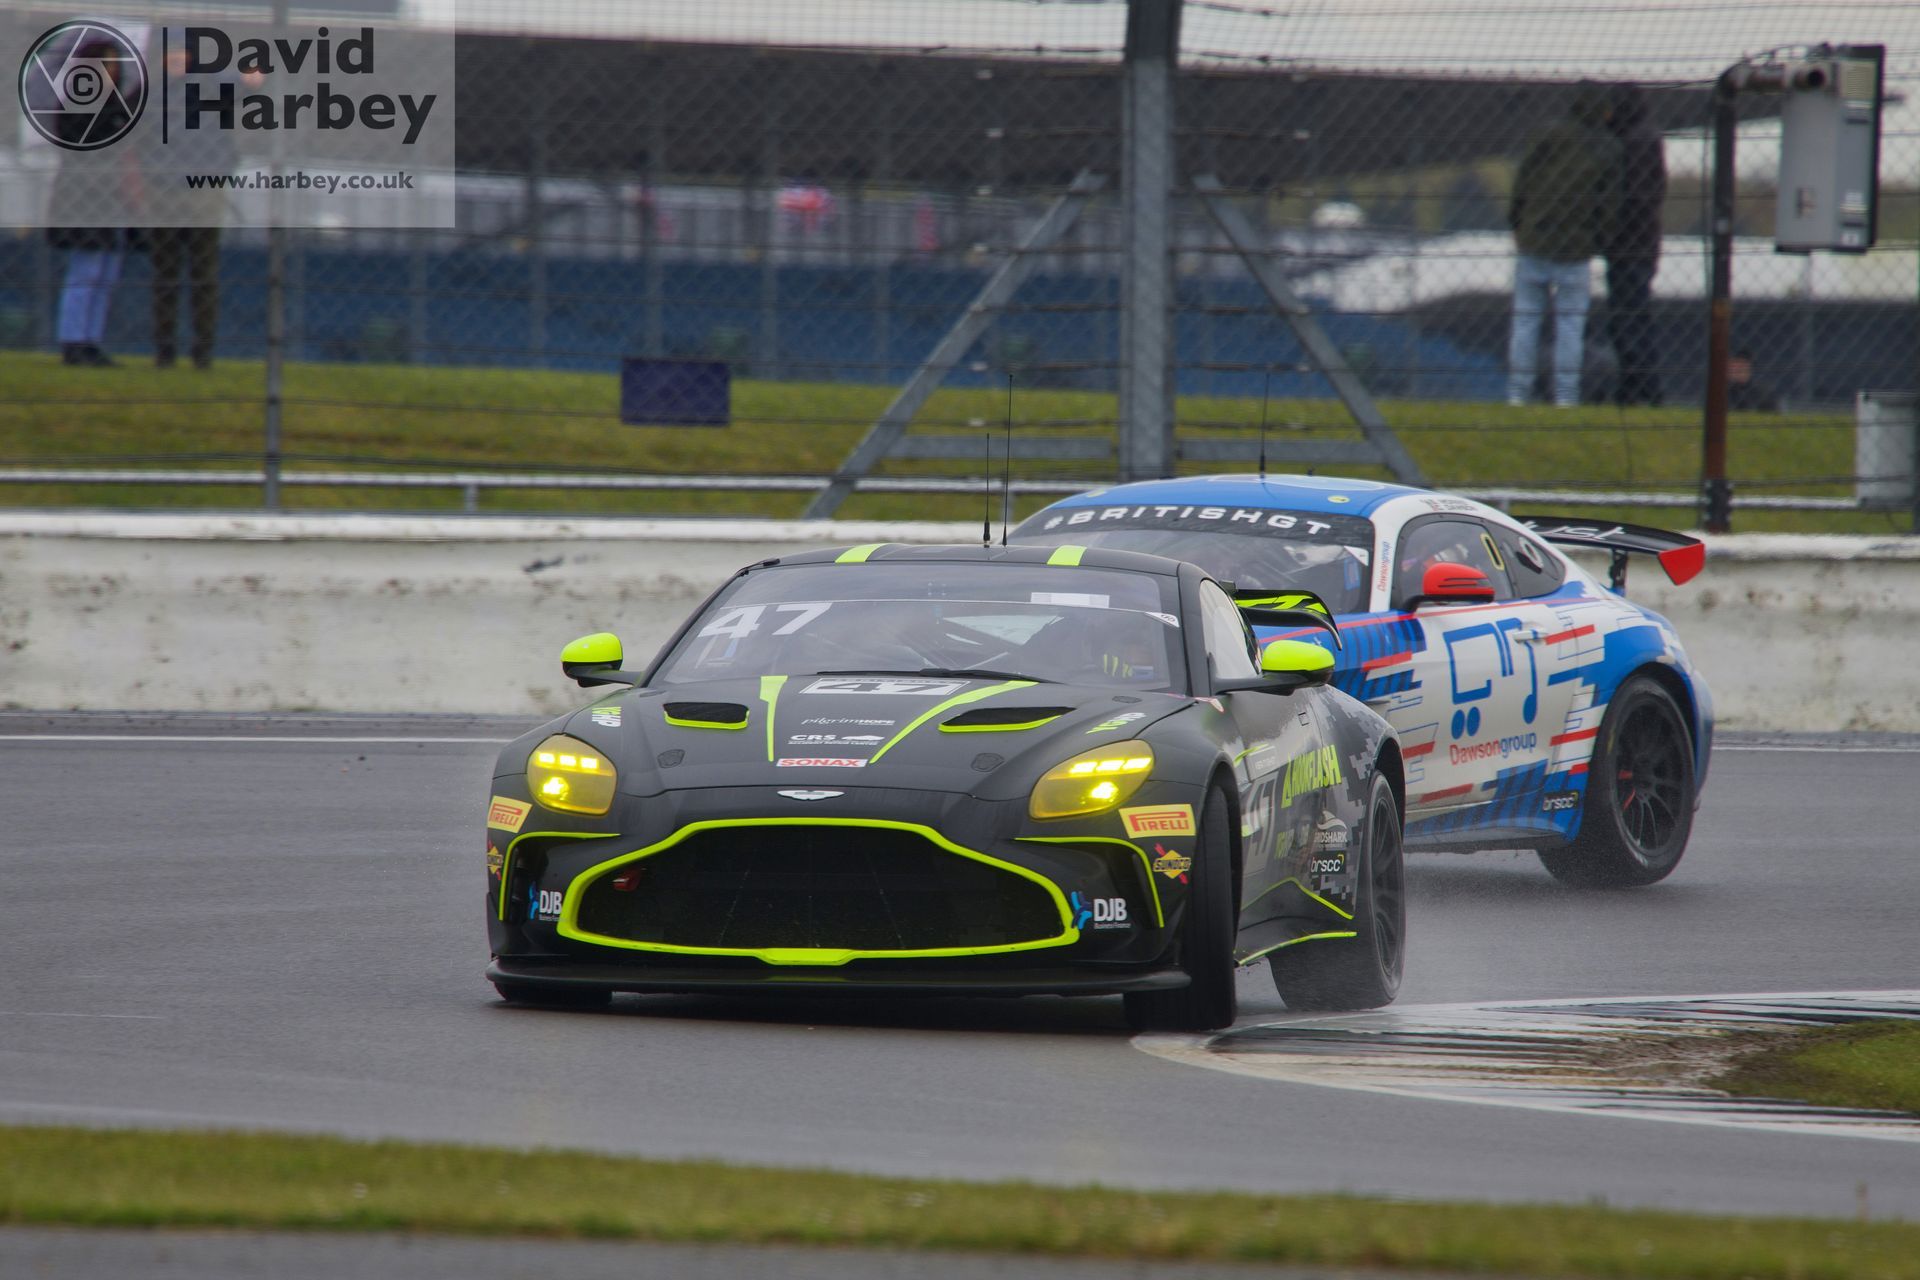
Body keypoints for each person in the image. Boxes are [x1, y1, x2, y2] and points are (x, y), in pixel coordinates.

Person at [1505, 83, 1622, 408]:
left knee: (1526, 321)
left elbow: (1523, 181)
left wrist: (1518, 222)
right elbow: (1608, 204)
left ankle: (1518, 394)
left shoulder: (1547, 135)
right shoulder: (1607, 149)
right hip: (1576, 248)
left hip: (1534, 240)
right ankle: (1567, 397)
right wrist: (1598, 239)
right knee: (1570, 327)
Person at [144, 39, 245, 369]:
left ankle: (203, 352)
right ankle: (165, 351)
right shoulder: (152, 95)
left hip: (204, 189)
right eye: (170, 56)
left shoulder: (212, 89)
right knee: (165, 274)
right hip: (163, 191)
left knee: (203, 274)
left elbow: (242, 83)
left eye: (182, 57)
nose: (176, 63)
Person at [45, 35, 142, 367]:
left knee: (106, 271)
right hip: (83, 198)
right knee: (84, 270)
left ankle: (91, 339)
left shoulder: (117, 104)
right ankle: (73, 339)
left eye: (113, 66)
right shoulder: (76, 100)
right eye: (104, 64)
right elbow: (76, 141)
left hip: (112, 197)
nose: (110, 72)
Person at [1603, 82, 1667, 406]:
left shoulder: (1632, 142)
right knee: (1635, 315)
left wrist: (1610, 232)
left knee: (1627, 318)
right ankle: (1639, 386)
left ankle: (1641, 387)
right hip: (1643, 244)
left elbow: (1634, 198)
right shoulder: (1648, 137)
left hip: (1629, 245)